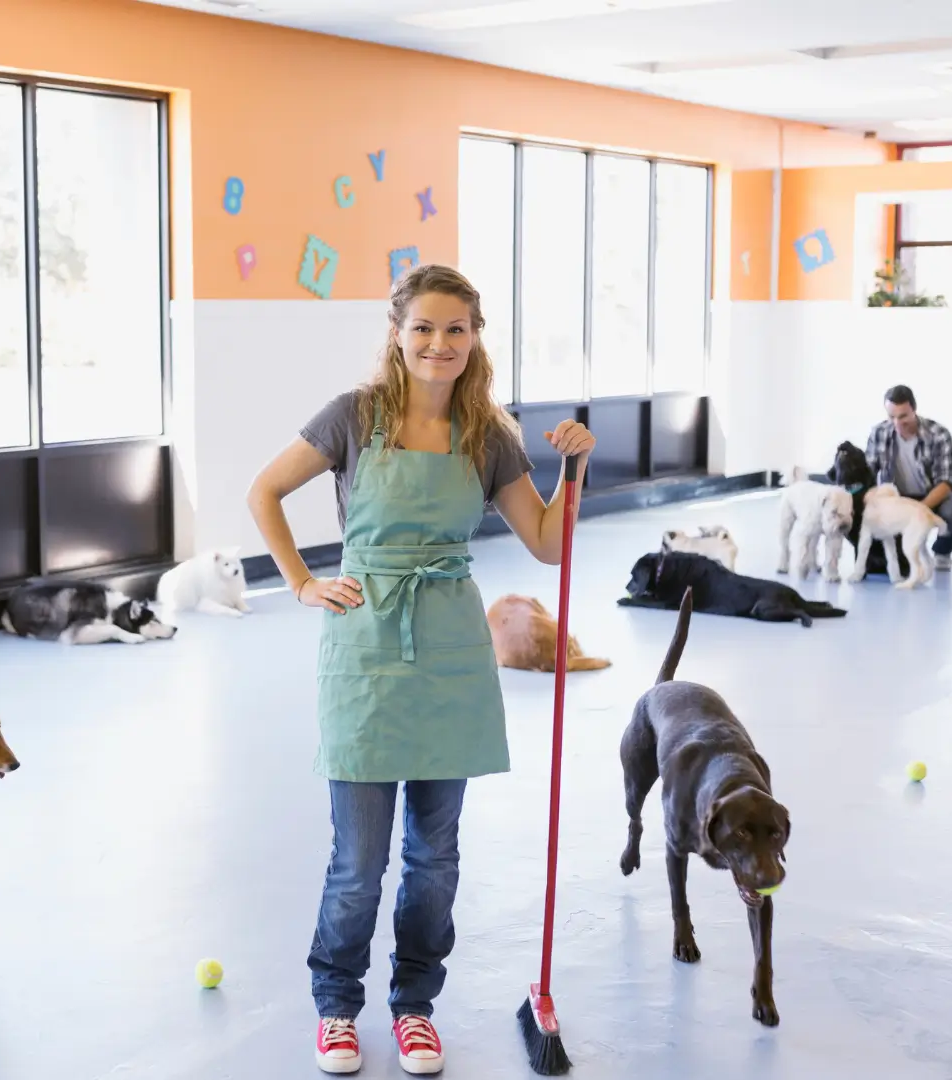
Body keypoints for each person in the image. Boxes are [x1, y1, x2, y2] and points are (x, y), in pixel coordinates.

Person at [246, 264, 595, 1076]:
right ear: (397, 335)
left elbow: (546, 543)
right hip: (365, 646)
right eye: (425, 329)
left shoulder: (488, 435)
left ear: (476, 340)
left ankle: (413, 1007)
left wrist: (575, 469)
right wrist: (301, 581)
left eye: (457, 330)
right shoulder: (353, 417)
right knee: (358, 862)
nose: (441, 345)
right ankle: (337, 1006)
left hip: (449, 650)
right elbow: (265, 491)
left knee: (436, 858)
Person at [864, 385, 952, 570]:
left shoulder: (939, 435)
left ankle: (942, 550)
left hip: (931, 496)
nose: (897, 422)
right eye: (891, 417)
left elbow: (946, 483)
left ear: (914, 409)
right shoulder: (878, 433)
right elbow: (868, 475)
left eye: (903, 416)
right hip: (897, 499)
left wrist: (918, 511)